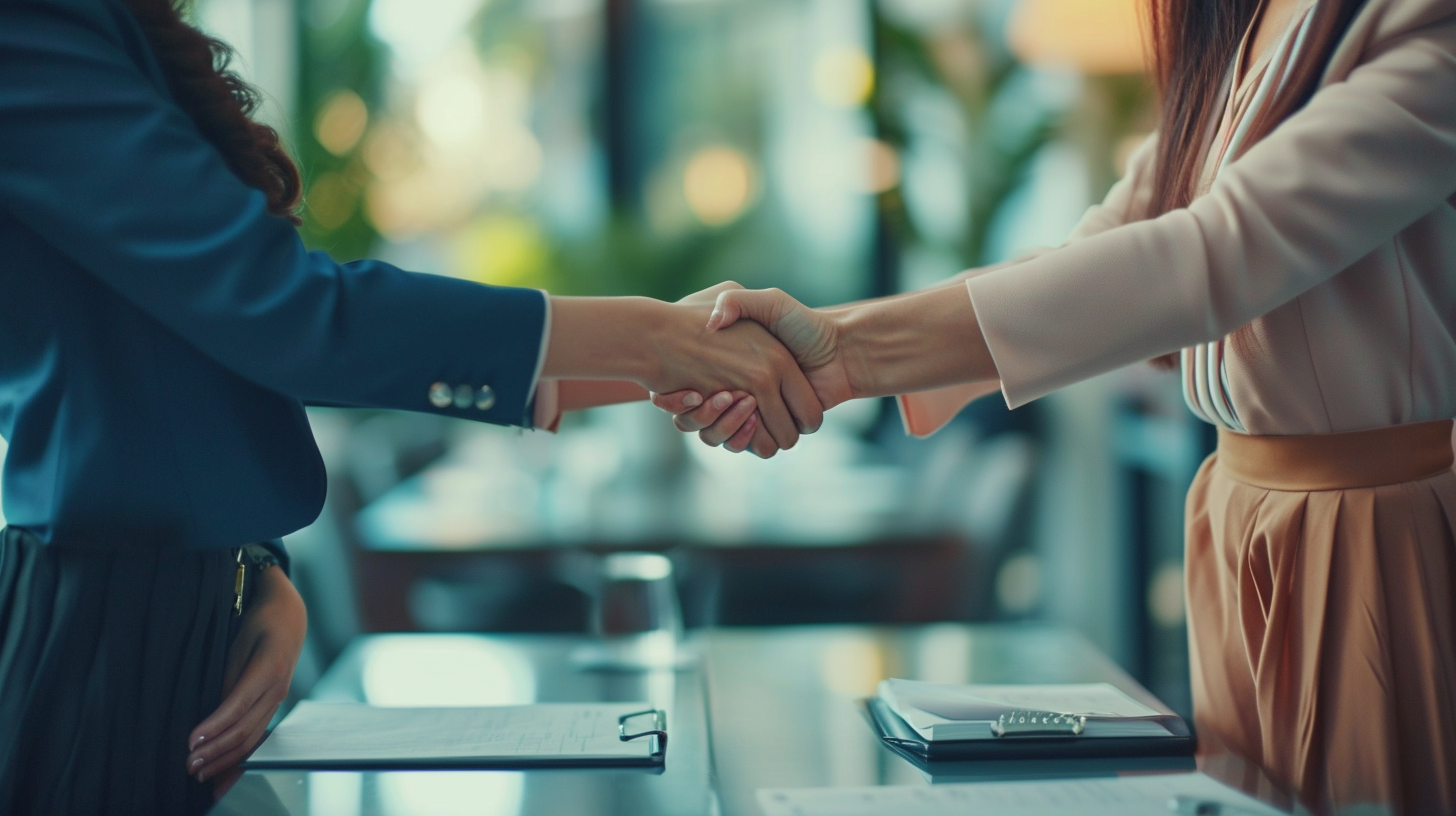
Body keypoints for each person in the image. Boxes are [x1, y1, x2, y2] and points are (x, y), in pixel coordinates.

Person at [0, 0, 819, 812]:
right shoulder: (30, 27)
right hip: (96, 654)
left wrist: (254, 570)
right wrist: (654, 337)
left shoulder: (102, 23)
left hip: (186, 646)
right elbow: (283, 311)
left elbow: (184, 343)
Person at [658, 0, 1456, 812]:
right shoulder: (1236, 28)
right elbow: (1098, 251)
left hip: (1366, 533)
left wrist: (849, 352)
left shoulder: (1423, 22)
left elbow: (1216, 253)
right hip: (1232, 523)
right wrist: (832, 346)